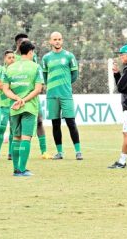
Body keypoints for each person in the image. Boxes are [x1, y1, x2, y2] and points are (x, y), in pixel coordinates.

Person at [3, 40, 44, 177]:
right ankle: (22, 169)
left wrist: (16, 98)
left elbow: (5, 90)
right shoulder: (35, 67)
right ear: (31, 52)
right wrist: (24, 100)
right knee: (26, 138)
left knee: (16, 138)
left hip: (14, 107)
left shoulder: (10, 68)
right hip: (29, 107)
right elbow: (38, 89)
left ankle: (16, 169)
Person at [42, 32, 83, 160]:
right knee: (55, 124)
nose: (57, 41)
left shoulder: (69, 56)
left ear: (62, 41)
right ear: (50, 41)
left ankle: (78, 151)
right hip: (52, 95)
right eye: (55, 39)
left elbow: (75, 75)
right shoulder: (46, 58)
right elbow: (44, 76)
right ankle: (60, 152)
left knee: (71, 122)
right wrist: (52, 85)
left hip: (66, 94)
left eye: (59, 39)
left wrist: (65, 84)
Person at [14, 34, 48, 158]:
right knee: (16, 129)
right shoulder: (12, 58)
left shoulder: (32, 59)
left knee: (39, 122)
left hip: (32, 97)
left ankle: (44, 151)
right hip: (17, 99)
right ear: (18, 44)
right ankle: (13, 155)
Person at [0, 50, 15, 159]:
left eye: (13, 57)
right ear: (5, 59)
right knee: (2, 128)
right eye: (9, 58)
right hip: (3, 105)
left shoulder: (17, 71)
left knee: (13, 130)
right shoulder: (1, 71)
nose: (11, 59)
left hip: (13, 105)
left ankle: (10, 153)